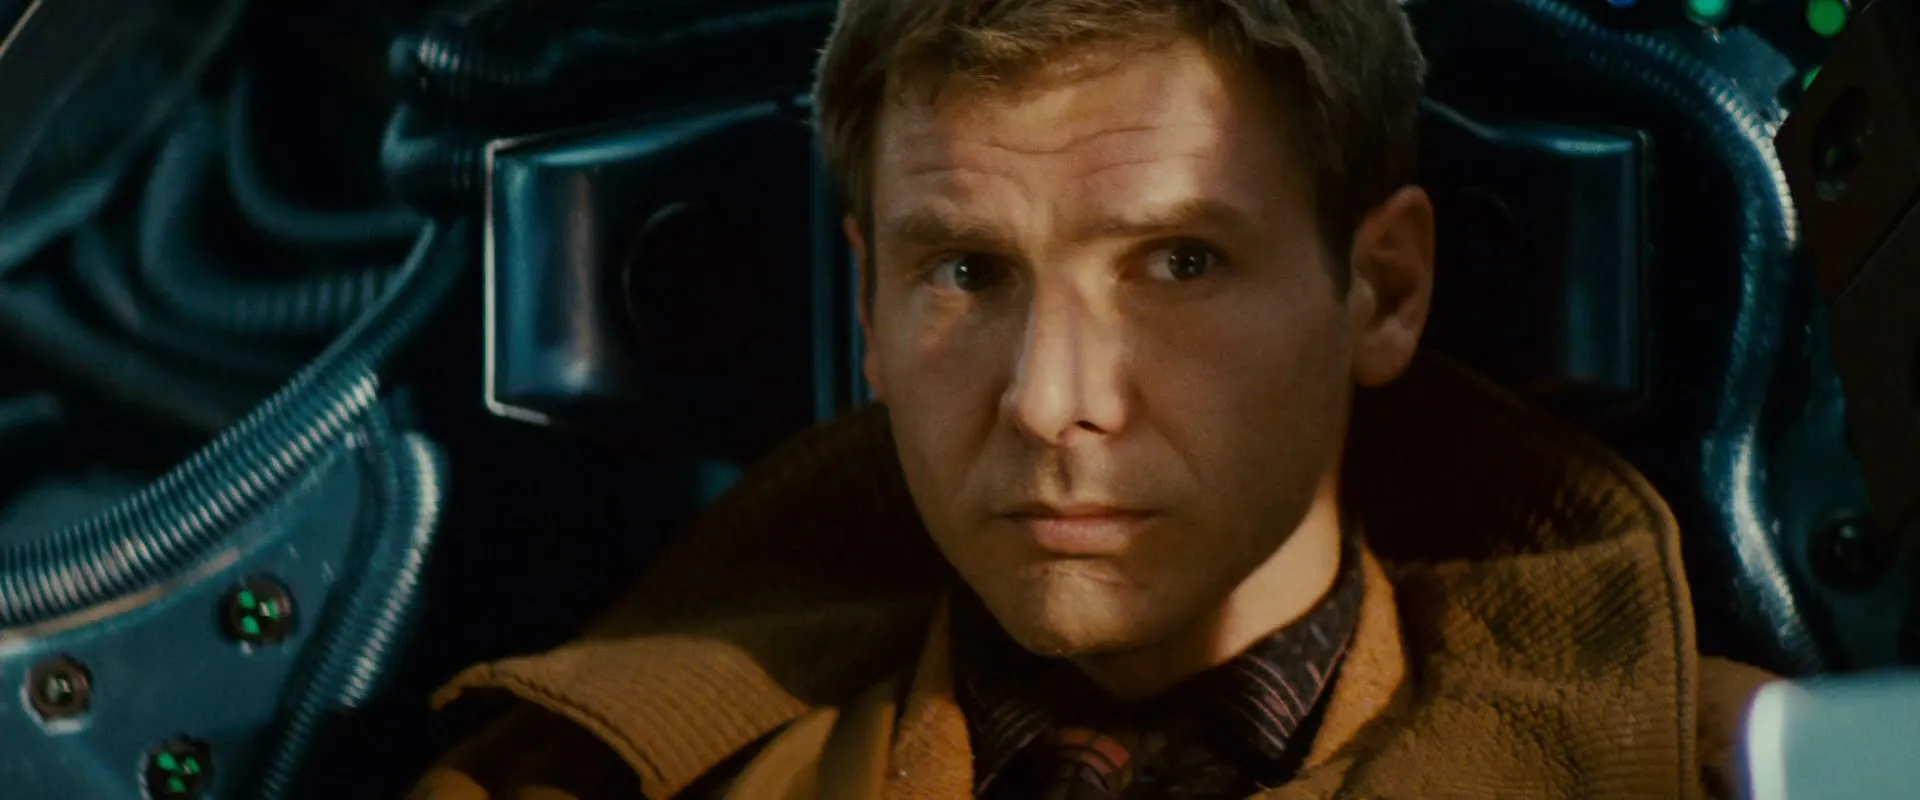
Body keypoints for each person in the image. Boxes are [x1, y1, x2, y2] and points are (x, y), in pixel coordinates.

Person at [409, 0, 1776, 797]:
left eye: (1178, 263)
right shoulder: (571, 781)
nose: (1049, 403)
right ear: (868, 311)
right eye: (966, 272)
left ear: (1382, 289)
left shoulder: (1728, 769)